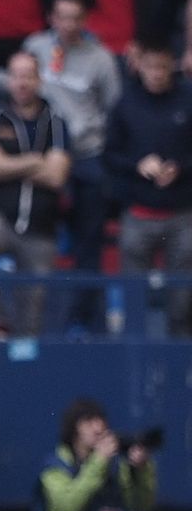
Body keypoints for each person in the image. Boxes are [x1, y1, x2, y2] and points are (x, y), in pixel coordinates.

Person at [0, 0, 121, 333]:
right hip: (43, 150)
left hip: (86, 156)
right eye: (62, 16)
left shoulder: (100, 59)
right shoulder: (36, 48)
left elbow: (114, 110)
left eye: (76, 17)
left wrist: (25, 162)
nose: (68, 24)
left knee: (87, 246)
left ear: (85, 20)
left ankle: (86, 322)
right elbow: (14, 78)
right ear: (52, 18)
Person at [0, 50, 70, 339]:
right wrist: (35, 161)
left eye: (28, 76)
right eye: (16, 76)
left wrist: (5, 164)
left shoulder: (55, 120)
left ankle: (25, 367)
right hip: (0, 219)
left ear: (39, 80)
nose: (22, 83)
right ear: (9, 80)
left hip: (41, 229)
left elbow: (57, 175)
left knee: (32, 320)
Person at [104, 41, 192, 336]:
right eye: (151, 67)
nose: (157, 73)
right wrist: (137, 164)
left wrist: (180, 167)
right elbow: (110, 154)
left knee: (183, 304)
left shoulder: (188, 99)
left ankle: (182, 373)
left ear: (173, 67)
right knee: (134, 302)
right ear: (140, 66)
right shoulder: (126, 102)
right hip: (138, 214)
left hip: (182, 214)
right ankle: (135, 374)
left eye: (163, 67)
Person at [39, 398, 157, 511]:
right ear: (73, 429)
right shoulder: (54, 467)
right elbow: (70, 505)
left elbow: (141, 505)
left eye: (101, 421)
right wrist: (98, 461)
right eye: (88, 422)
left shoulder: (116, 465)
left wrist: (141, 470)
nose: (98, 428)